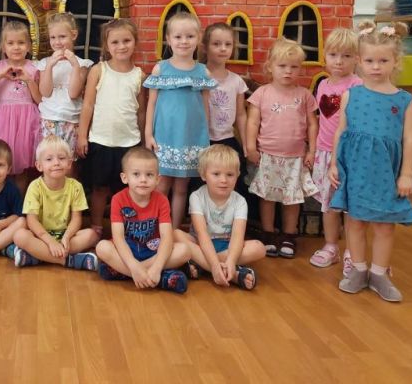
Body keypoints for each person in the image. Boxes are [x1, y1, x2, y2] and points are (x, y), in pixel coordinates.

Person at [329, 21, 412, 302]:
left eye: (383, 61)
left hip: (386, 173)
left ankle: (379, 274)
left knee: (384, 225)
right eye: (369, 61)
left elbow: (410, 140)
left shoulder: (404, 100)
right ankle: (358, 270)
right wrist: (333, 164)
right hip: (355, 169)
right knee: (355, 222)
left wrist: (406, 174)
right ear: (359, 61)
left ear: (395, 62)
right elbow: (341, 132)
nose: (376, 67)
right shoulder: (351, 95)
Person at [246, 38, 318, 259]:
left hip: (295, 157)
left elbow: (313, 124)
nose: (288, 71)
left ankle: (289, 235)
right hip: (267, 155)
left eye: (294, 67)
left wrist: (312, 151)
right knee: (267, 197)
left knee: (292, 198)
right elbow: (252, 122)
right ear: (270, 66)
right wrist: (250, 146)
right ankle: (268, 233)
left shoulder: (304, 95)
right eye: (282, 66)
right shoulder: (262, 93)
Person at [144, 12, 216, 228]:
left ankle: (174, 229)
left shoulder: (203, 72)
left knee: (182, 187)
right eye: (178, 37)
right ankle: (156, 227)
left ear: (198, 38)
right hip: (164, 137)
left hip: (190, 139)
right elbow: (151, 103)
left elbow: (205, 107)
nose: (184, 41)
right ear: (168, 39)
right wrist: (148, 134)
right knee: (161, 184)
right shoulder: (161, 69)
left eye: (189, 36)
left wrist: (205, 138)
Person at [78, 18, 145, 237]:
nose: (121, 46)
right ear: (106, 45)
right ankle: (96, 227)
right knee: (99, 188)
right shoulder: (99, 70)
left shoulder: (139, 75)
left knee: (127, 189)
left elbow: (141, 112)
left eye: (127, 40)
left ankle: (126, 228)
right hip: (101, 140)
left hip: (129, 142)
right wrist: (82, 136)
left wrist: (143, 141)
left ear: (135, 42)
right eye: (115, 42)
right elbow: (88, 105)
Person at [95, 147, 190, 293]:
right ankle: (160, 278)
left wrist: (157, 267)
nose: (143, 180)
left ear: (158, 179)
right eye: (136, 174)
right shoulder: (118, 199)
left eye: (149, 175)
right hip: (128, 251)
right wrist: (133, 265)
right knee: (102, 247)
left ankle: (126, 273)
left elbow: (166, 237)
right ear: (124, 178)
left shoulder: (162, 200)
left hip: (152, 251)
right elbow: (119, 238)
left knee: (184, 251)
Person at [177, 145, 266, 290]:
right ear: (204, 175)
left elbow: (237, 237)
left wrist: (231, 261)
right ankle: (233, 274)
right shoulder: (196, 197)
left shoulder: (240, 201)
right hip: (200, 244)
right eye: (216, 174)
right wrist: (214, 265)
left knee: (259, 248)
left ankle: (203, 265)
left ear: (237, 175)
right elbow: (202, 234)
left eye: (230, 175)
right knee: (176, 235)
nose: (223, 180)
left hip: (226, 246)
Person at [309, 28, 361, 273]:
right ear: (325, 56)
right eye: (333, 55)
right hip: (324, 152)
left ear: (357, 58)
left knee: (350, 207)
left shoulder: (358, 85)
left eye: (346, 56)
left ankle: (353, 251)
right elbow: (321, 119)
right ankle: (331, 246)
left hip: (349, 155)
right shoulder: (322, 84)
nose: (339, 61)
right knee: (328, 205)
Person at [12, 135, 99, 270]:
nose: (56, 163)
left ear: (69, 163)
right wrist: (50, 242)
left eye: (62, 158)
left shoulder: (76, 186)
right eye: (49, 159)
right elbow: (32, 221)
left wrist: (67, 237)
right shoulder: (35, 187)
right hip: (41, 237)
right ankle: (68, 261)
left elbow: (76, 219)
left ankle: (37, 256)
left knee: (92, 235)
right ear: (39, 166)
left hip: (65, 236)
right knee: (19, 236)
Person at [0, 21, 41, 194]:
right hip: (4, 120)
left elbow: (39, 99)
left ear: (29, 46)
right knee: (1, 161)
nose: (16, 47)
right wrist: (0, 75)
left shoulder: (34, 67)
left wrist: (28, 80)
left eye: (21, 43)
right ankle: (1, 200)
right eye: (10, 43)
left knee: (22, 167)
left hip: (27, 120)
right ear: (3, 47)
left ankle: (18, 202)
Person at [201, 22, 251, 211]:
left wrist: (246, 144)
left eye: (227, 44)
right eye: (216, 44)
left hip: (227, 139)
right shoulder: (199, 76)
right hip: (203, 140)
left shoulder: (236, 81)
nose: (223, 49)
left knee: (231, 182)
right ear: (205, 47)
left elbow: (241, 114)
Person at [36, 12, 93, 162]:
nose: (57, 42)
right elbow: (45, 92)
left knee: (68, 161)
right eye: (53, 37)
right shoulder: (45, 63)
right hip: (48, 118)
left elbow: (74, 93)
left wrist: (74, 65)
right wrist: (49, 66)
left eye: (62, 37)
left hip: (71, 120)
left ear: (73, 35)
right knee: (49, 160)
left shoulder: (82, 64)